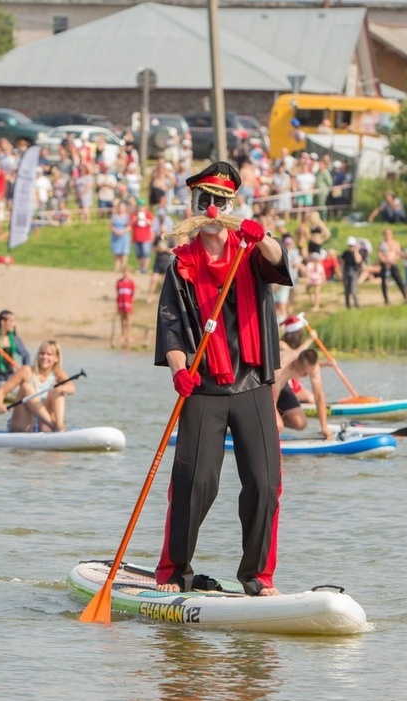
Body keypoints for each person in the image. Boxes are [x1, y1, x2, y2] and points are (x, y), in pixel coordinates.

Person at [154, 160, 290, 597]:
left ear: (232, 206)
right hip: (203, 386)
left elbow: (281, 262)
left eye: (221, 202)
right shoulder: (180, 267)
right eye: (205, 201)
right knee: (197, 483)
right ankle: (175, 571)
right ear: (194, 206)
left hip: (252, 384)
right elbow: (171, 329)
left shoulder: (251, 253)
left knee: (265, 484)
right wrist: (179, 373)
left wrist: (262, 235)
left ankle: (256, 576)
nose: (212, 210)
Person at [0, 339, 75, 432]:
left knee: (58, 389)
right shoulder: (26, 371)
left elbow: (72, 388)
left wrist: (62, 388)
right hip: (23, 423)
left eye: (49, 354)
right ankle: (54, 426)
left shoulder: (59, 374)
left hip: (43, 425)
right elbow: (1, 391)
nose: (44, 357)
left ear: (56, 358)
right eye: (42, 353)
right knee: (26, 387)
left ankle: (60, 426)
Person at [274, 315, 331, 438]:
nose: (305, 376)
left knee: (301, 424)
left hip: (284, 388)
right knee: (278, 425)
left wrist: (324, 425)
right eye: (304, 373)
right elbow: (273, 394)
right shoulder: (285, 364)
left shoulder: (313, 366)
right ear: (295, 364)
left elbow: (319, 395)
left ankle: (278, 418)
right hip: (270, 386)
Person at [376, 229, 407, 305]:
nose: (387, 236)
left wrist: (393, 261)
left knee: (399, 280)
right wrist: (385, 261)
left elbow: (398, 254)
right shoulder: (382, 244)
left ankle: (405, 296)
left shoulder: (395, 243)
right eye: (386, 234)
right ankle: (386, 299)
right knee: (384, 283)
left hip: (393, 264)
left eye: (389, 234)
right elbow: (379, 254)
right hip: (384, 265)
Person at [115, 267, 135, 348]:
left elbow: (133, 293)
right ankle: (122, 335)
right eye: (124, 272)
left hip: (128, 302)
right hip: (121, 302)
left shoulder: (131, 283)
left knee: (128, 319)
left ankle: (128, 336)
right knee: (122, 318)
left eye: (127, 272)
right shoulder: (119, 282)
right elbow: (117, 292)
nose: (125, 274)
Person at [342, 237, 364, 308]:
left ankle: (357, 305)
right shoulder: (345, 253)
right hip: (346, 272)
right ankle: (348, 306)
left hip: (354, 272)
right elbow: (342, 263)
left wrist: (356, 251)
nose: (351, 247)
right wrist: (341, 273)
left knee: (353, 290)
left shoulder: (358, 253)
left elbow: (358, 260)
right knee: (347, 290)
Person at [109, 200, 130, 273]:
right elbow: (111, 225)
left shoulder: (127, 216)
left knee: (124, 252)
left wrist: (122, 231)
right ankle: (117, 267)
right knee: (117, 252)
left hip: (124, 236)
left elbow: (129, 226)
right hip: (116, 235)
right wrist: (116, 231)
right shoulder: (114, 216)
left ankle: (124, 267)